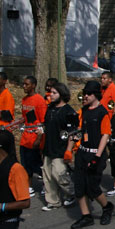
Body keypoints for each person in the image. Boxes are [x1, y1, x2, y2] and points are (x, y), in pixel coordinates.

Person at [70, 81, 114, 229]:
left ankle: (107, 207)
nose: (85, 96)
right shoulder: (84, 110)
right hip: (82, 152)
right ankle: (86, 216)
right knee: (79, 186)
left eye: (88, 94)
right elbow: (80, 129)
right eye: (84, 93)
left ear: (96, 95)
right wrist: (74, 139)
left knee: (93, 187)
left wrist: (97, 156)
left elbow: (105, 135)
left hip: (95, 154)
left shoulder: (102, 112)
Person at [40, 83, 78, 211]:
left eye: (54, 93)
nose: (51, 95)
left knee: (59, 174)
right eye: (50, 92)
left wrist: (68, 150)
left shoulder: (68, 112)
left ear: (61, 94)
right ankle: (53, 201)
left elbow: (73, 133)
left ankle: (71, 193)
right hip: (48, 148)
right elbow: (46, 126)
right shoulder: (50, 109)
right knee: (48, 177)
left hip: (61, 149)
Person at [19, 76, 47, 196]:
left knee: (37, 165)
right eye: (23, 84)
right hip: (25, 137)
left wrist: (39, 139)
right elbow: (25, 118)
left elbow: (43, 122)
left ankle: (46, 184)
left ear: (33, 85)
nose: (24, 86)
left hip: (34, 138)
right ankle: (29, 187)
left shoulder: (39, 100)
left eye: (27, 84)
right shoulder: (24, 100)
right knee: (25, 164)